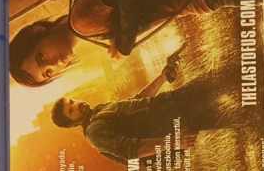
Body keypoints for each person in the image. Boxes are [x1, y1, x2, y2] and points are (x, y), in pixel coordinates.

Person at [10, 0, 228, 87]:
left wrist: (124, 44)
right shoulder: (77, 11)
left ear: (36, 33)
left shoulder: (80, 22)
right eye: (48, 73)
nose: (54, 64)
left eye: (41, 57)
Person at [49, 48, 240, 164]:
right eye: (72, 110)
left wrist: (163, 77)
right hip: (179, 120)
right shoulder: (94, 133)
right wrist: (174, 142)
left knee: (224, 77)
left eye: (72, 101)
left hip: (174, 102)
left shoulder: (98, 111)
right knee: (234, 108)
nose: (77, 105)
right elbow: (132, 150)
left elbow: (137, 101)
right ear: (73, 123)